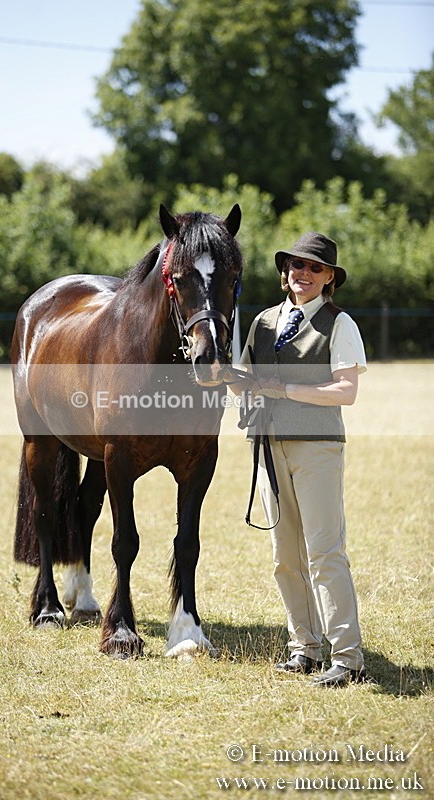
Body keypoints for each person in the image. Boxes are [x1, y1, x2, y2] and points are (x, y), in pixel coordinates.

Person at [235, 232, 367, 687]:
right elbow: (246, 383)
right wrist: (220, 374)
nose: (302, 273)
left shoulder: (339, 323)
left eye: (314, 267)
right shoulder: (264, 321)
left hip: (317, 447)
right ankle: (305, 648)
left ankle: (347, 658)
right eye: (295, 265)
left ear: (329, 277)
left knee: (325, 554)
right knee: (283, 556)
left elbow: (346, 392)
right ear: (283, 272)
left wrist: (285, 390)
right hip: (269, 447)